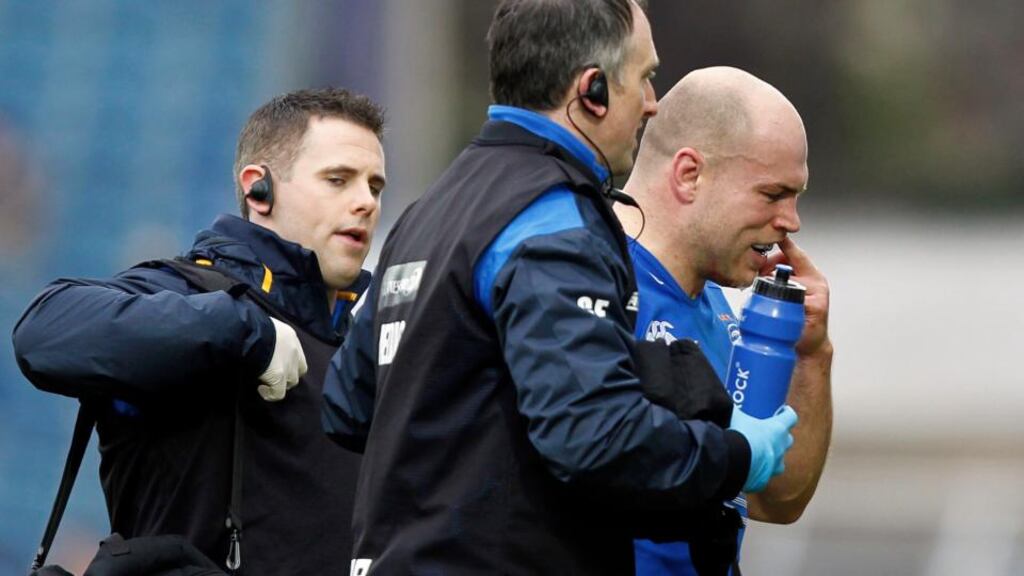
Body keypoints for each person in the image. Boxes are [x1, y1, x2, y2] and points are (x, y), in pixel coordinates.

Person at [321, 2, 797, 574]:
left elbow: (348, 405)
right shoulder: (553, 222)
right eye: (645, 78)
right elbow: (595, 436)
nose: (653, 103)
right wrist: (736, 455)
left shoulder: (427, 213)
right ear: (592, 91)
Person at [13, 88, 386, 575]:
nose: (365, 202)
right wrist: (245, 330)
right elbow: (43, 329)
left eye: (376, 187)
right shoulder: (192, 295)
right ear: (259, 190)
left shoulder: (371, 342)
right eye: (338, 180)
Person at [616, 67, 833, 575]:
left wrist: (812, 355)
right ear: (689, 174)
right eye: (773, 194)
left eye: (795, 197)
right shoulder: (588, 284)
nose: (791, 221)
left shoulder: (719, 305)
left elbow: (777, 500)